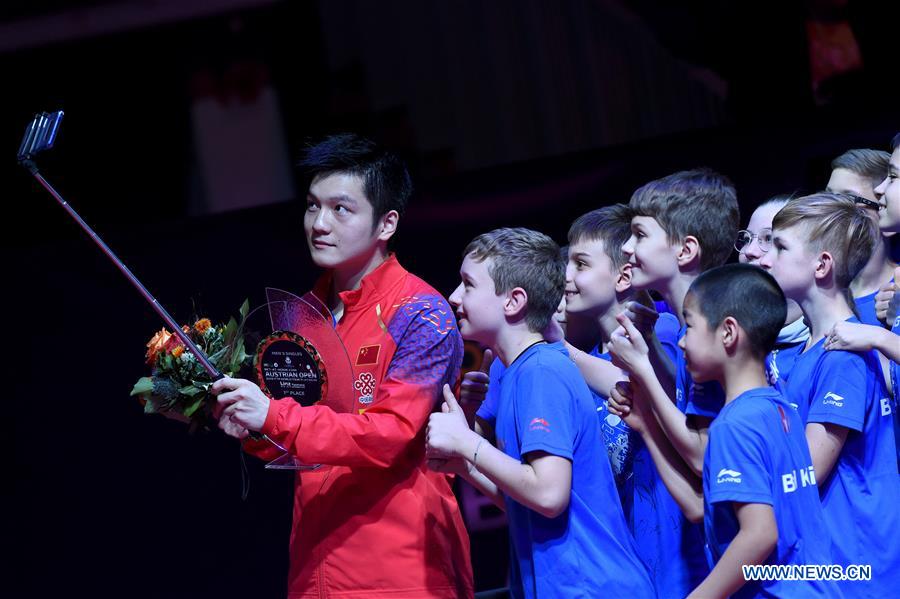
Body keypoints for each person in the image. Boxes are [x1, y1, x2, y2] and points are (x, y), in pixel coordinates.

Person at [210, 134, 473, 598]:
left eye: (340, 209)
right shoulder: (304, 313)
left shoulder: (420, 313)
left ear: (386, 223)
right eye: (313, 206)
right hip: (314, 570)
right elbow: (300, 440)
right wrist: (251, 427)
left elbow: (389, 436)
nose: (319, 224)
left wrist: (272, 415)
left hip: (400, 572)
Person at [426, 227, 655, 598]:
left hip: (591, 588)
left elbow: (549, 495)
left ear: (514, 301)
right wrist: (465, 466)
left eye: (468, 285)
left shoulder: (541, 371)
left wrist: (467, 442)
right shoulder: (518, 371)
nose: (454, 296)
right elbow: (529, 503)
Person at [609, 264, 840, 598]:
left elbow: (759, 534)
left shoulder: (734, 425)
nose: (682, 341)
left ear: (728, 332)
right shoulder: (779, 407)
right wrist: (647, 426)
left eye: (690, 326)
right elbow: (699, 507)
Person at [759, 193, 900, 596]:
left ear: (821, 265)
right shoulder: (814, 348)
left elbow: (807, 469)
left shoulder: (842, 355)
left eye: (780, 246)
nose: (765, 258)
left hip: (852, 566)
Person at [607, 168, 739, 596]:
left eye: (640, 235)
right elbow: (689, 407)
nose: (627, 248)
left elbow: (704, 457)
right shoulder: (688, 329)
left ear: (685, 250)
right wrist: (651, 348)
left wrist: (643, 368)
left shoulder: (714, 332)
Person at [734, 194, 810, 385]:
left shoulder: (827, 347)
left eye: (769, 239)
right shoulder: (727, 333)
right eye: (747, 238)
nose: (749, 251)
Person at [825, 148, 894, 326]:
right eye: (828, 197)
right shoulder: (819, 290)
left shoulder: (896, 293)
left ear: (884, 205)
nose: (830, 208)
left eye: (849, 199)